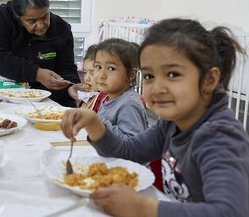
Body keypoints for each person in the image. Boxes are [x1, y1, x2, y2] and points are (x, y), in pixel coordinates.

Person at [60, 18, 249, 217]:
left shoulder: (219, 137)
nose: (157, 88)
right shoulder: (171, 124)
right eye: (150, 76)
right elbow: (127, 151)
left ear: (209, 80)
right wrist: (93, 121)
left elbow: (230, 212)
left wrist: (144, 208)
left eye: (173, 74)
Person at [90, 38, 147, 138]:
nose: (101, 75)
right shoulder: (107, 98)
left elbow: (132, 144)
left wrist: (96, 123)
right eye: (98, 67)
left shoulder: (129, 104)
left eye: (111, 68)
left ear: (131, 75)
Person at [68, 44, 107, 112]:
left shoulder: (106, 99)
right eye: (85, 72)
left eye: (92, 73)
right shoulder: (92, 94)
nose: (86, 78)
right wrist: (73, 89)